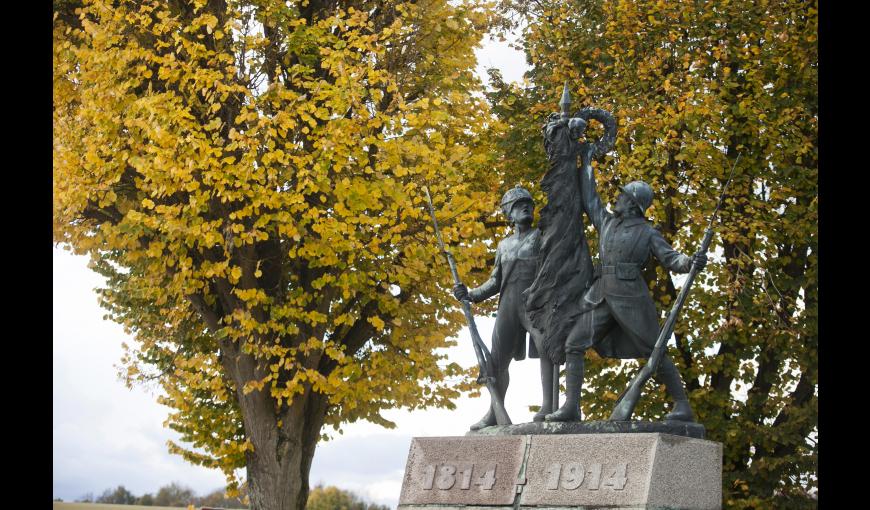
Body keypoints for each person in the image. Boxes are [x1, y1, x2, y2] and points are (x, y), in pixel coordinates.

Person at [546, 144, 707, 422]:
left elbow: (671, 259)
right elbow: (590, 199)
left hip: (632, 298)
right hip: (601, 294)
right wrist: (586, 165)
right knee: (574, 343)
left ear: (633, 203)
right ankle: (572, 406)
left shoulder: (647, 232)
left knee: (652, 349)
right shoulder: (607, 223)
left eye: (622, 197)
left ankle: (682, 405)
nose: (616, 199)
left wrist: (690, 262)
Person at [453, 185, 553, 429]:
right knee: (497, 361)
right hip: (508, 303)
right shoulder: (504, 245)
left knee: (547, 346)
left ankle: (549, 405)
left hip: (534, 302)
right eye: (520, 206)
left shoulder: (542, 236)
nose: (526, 208)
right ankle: (494, 412)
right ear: (509, 214)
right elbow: (496, 280)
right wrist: (471, 294)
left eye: (528, 204)